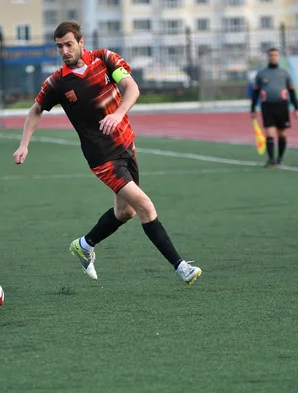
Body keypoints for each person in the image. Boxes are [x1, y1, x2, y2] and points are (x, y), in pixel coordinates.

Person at [12, 22, 202, 285]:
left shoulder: (105, 59)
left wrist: (118, 113)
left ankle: (84, 244)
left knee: (126, 213)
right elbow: (35, 110)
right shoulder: (57, 82)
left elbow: (132, 88)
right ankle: (181, 266)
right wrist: (24, 144)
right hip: (102, 158)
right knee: (145, 206)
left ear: (81, 41)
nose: (64, 51)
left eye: (68, 44)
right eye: (59, 46)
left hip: (126, 145)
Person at [250, 48, 298, 167]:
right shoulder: (261, 73)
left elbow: (292, 91)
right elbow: (256, 92)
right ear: (268, 57)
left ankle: (280, 158)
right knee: (269, 133)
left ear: (278, 57)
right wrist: (253, 109)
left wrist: (296, 108)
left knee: (281, 133)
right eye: (271, 55)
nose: (273, 57)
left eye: (275, 55)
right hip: (267, 106)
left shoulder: (284, 73)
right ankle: (271, 159)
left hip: (282, 105)